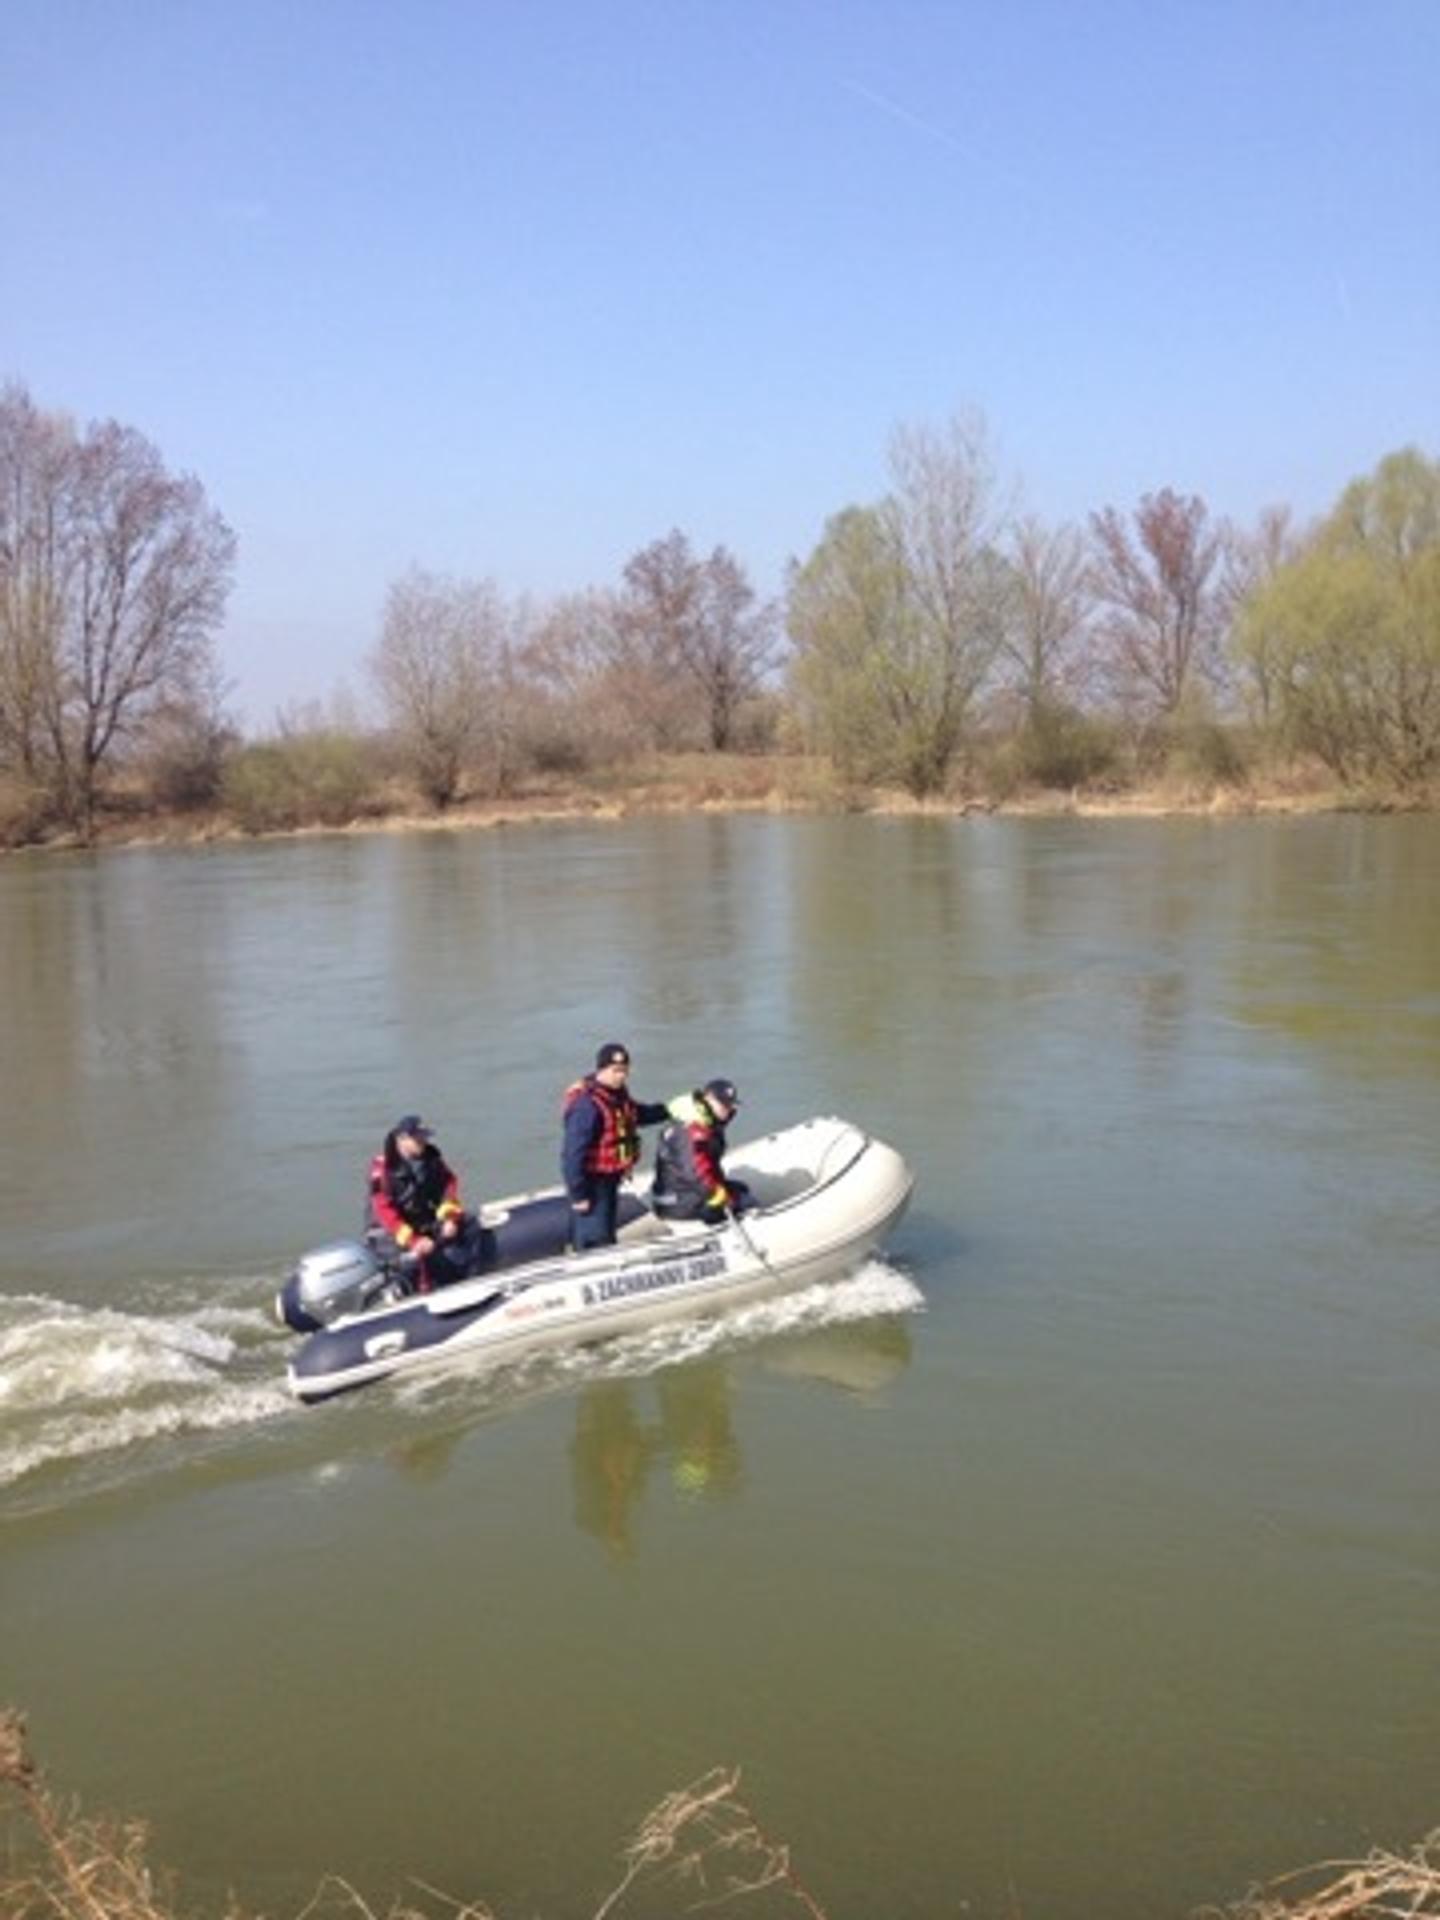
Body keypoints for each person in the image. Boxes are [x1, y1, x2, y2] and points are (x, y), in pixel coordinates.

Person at [562, 1043, 668, 1250]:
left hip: (610, 1179)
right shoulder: (587, 1105)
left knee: (606, 1230)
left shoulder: (616, 1095)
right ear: (601, 1069)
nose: (621, 1076)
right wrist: (578, 1195)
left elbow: (636, 1115)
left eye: (625, 1071)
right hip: (593, 1183)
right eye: (616, 1070)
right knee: (596, 1237)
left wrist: (668, 1110)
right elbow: (572, 1154)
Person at [367, 1114, 487, 1292]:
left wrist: (449, 1217)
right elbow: (384, 1212)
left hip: (420, 1221)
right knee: (412, 1262)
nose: (423, 1141)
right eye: (418, 1138)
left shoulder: (431, 1159)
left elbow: (448, 1185)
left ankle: (469, 1278)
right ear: (402, 1139)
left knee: (469, 1223)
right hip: (389, 1234)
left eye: (424, 1136)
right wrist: (413, 1241)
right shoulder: (382, 1170)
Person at [651, 1078, 751, 1225]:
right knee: (745, 1201)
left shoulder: (703, 1120)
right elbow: (695, 1172)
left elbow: (706, 1163)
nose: (728, 1109)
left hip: (680, 1192)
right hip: (679, 1203)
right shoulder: (694, 1130)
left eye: (730, 1104)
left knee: (740, 1189)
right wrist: (717, 1194)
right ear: (708, 1099)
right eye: (723, 1104)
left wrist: (721, 1187)